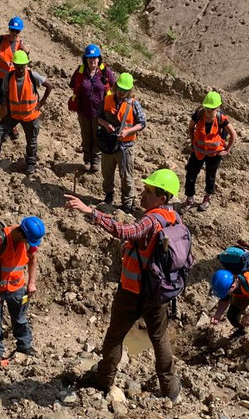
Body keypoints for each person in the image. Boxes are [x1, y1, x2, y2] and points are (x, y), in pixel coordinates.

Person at [64, 169, 184, 402]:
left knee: (115, 336)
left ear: (163, 198)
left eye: (149, 191)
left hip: (133, 291)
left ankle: (103, 378)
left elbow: (125, 231)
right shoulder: (175, 218)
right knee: (159, 338)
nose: (143, 194)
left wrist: (90, 211)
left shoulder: (151, 219)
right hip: (159, 291)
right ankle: (170, 388)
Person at [0, 216, 44, 362]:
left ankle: (24, 346)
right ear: (21, 234)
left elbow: (32, 259)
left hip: (17, 287)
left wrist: (31, 282)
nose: (29, 244)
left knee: (20, 319)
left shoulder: (27, 241)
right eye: (27, 240)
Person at [0, 50, 53, 174]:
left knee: (31, 141)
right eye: (18, 66)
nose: (20, 69)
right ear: (14, 65)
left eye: (23, 66)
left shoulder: (32, 75)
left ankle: (31, 163)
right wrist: (7, 109)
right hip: (14, 114)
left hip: (30, 115)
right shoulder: (9, 76)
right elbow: (5, 93)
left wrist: (41, 102)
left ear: (26, 65)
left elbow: (49, 86)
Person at [96, 73, 145, 212]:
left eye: (125, 90)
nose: (121, 92)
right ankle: (108, 196)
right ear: (115, 86)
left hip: (126, 146)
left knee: (126, 176)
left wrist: (128, 132)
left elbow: (142, 123)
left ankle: (127, 204)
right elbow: (98, 117)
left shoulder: (134, 104)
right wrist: (105, 124)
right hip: (109, 144)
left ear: (129, 91)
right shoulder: (107, 99)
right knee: (107, 172)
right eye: (119, 89)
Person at [183, 92, 238, 212]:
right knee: (191, 175)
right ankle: (189, 198)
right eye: (206, 107)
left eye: (211, 108)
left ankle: (207, 198)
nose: (208, 110)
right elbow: (191, 127)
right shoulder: (198, 115)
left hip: (214, 154)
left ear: (217, 108)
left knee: (210, 177)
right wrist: (193, 142)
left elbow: (233, 135)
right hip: (198, 152)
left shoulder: (221, 119)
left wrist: (227, 150)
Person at [68, 44, 116, 173]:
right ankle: (87, 160)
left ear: (99, 59)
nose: (92, 60)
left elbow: (114, 86)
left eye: (95, 58)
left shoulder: (105, 71)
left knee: (98, 136)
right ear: (85, 59)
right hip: (83, 111)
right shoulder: (80, 71)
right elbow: (72, 85)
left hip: (100, 113)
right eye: (89, 58)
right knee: (86, 135)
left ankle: (96, 160)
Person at [0, 17, 28, 142]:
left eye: (17, 31)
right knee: (2, 103)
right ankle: (6, 125)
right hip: (0, 78)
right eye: (13, 30)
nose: (14, 33)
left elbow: (24, 61)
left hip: (13, 79)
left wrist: (27, 51)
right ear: (9, 29)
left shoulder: (21, 44)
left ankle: (12, 126)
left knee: (13, 103)